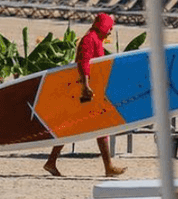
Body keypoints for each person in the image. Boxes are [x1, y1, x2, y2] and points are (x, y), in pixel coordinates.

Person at [44, 13, 126, 178]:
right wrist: (86, 87)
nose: (110, 32)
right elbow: (83, 63)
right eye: (109, 28)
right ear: (102, 26)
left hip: (89, 91)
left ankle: (51, 162)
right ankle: (108, 167)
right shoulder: (89, 39)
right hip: (84, 92)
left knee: (73, 127)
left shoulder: (96, 40)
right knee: (91, 127)